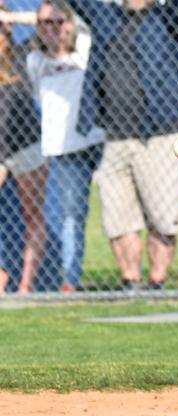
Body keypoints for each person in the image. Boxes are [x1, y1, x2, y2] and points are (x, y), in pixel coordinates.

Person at [66, 0, 178, 290]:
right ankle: (130, 281)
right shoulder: (106, 16)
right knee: (118, 216)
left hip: (160, 135)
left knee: (162, 217)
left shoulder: (168, 18)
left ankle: (157, 282)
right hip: (115, 135)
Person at [27, 0, 105, 294]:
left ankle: (75, 281)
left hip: (90, 140)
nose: (52, 29)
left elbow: (88, 18)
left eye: (58, 22)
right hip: (58, 147)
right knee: (63, 216)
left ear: (70, 24)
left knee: (86, 213)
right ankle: (64, 280)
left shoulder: (84, 46)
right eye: (45, 23)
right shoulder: (36, 60)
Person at [0, 5, 50, 294]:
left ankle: (26, 285)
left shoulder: (23, 53)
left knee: (32, 214)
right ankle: (3, 274)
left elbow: (48, 22)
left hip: (25, 143)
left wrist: (10, 17)